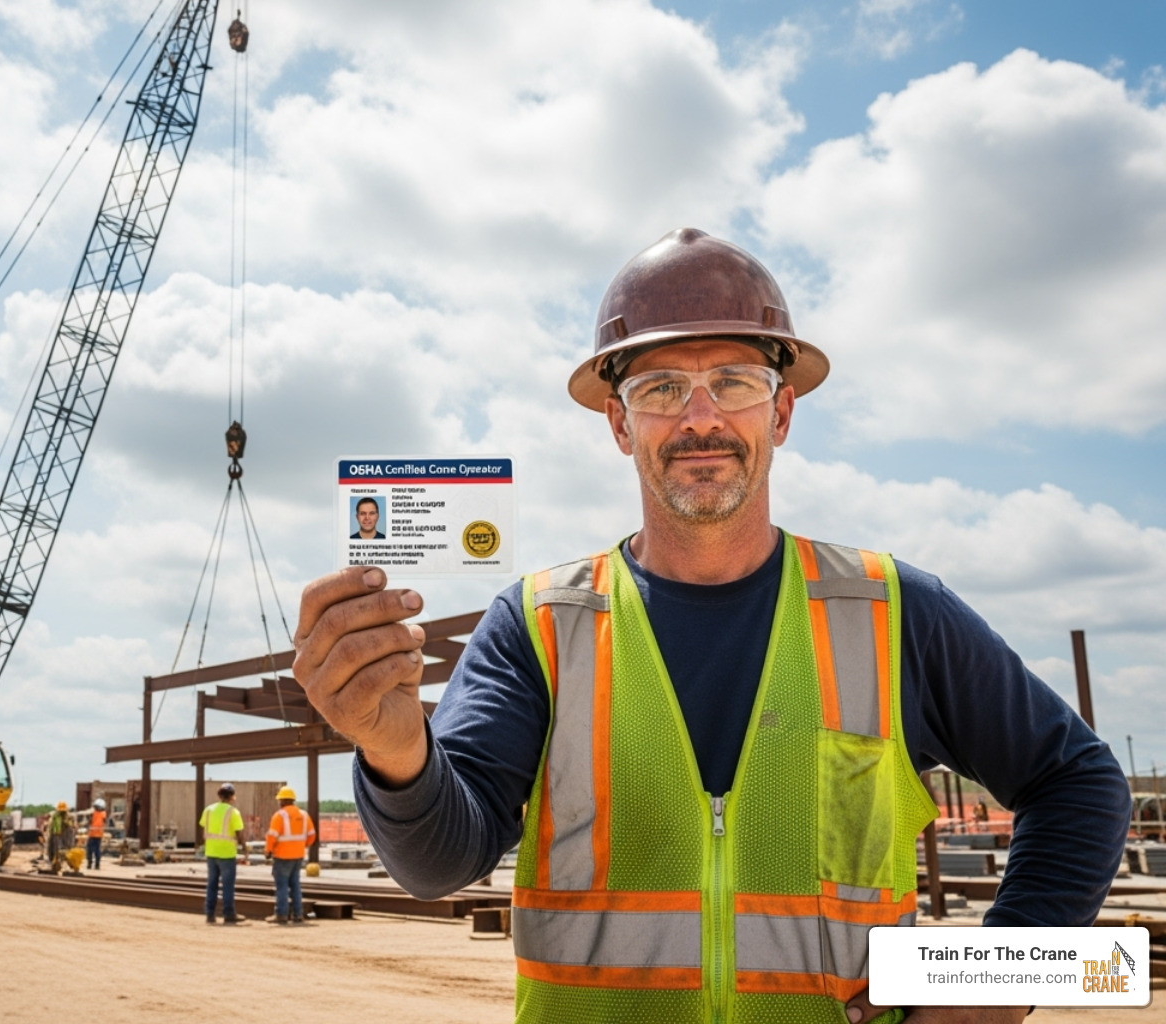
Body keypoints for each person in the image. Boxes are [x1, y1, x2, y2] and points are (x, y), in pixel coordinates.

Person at [292, 228, 1132, 1024]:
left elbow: (1080, 784)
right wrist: (394, 748)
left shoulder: (894, 611)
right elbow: (440, 862)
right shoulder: (540, 625)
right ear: (620, 424)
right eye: (660, 389)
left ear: (782, 413)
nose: (701, 418)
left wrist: (992, 990)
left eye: (733, 381)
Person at [264, 786, 315, 924]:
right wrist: (302, 846)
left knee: (282, 887)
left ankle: (281, 915)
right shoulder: (304, 815)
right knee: (295, 886)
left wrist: (268, 851)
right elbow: (311, 835)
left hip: (282, 856)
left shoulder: (279, 815)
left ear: (282, 800)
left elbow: (272, 836)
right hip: (298, 855)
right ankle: (298, 915)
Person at [199, 783, 247, 924]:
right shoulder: (233, 812)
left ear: (219, 795)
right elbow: (239, 832)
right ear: (232, 796)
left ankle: (210, 915)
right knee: (227, 886)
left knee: (212, 884)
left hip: (211, 851)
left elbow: (202, 829)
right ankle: (229, 914)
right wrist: (245, 848)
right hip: (227, 853)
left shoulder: (208, 810)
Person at [47, 801, 74, 872]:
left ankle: (55, 864)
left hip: (57, 839)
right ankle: (56, 864)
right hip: (59, 840)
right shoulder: (67, 820)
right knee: (59, 852)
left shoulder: (56, 818)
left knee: (56, 852)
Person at [86, 798, 107, 871]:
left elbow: (89, 821)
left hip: (92, 835)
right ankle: (97, 865)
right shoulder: (103, 814)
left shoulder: (94, 813)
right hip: (98, 835)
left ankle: (90, 864)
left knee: (90, 850)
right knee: (96, 850)